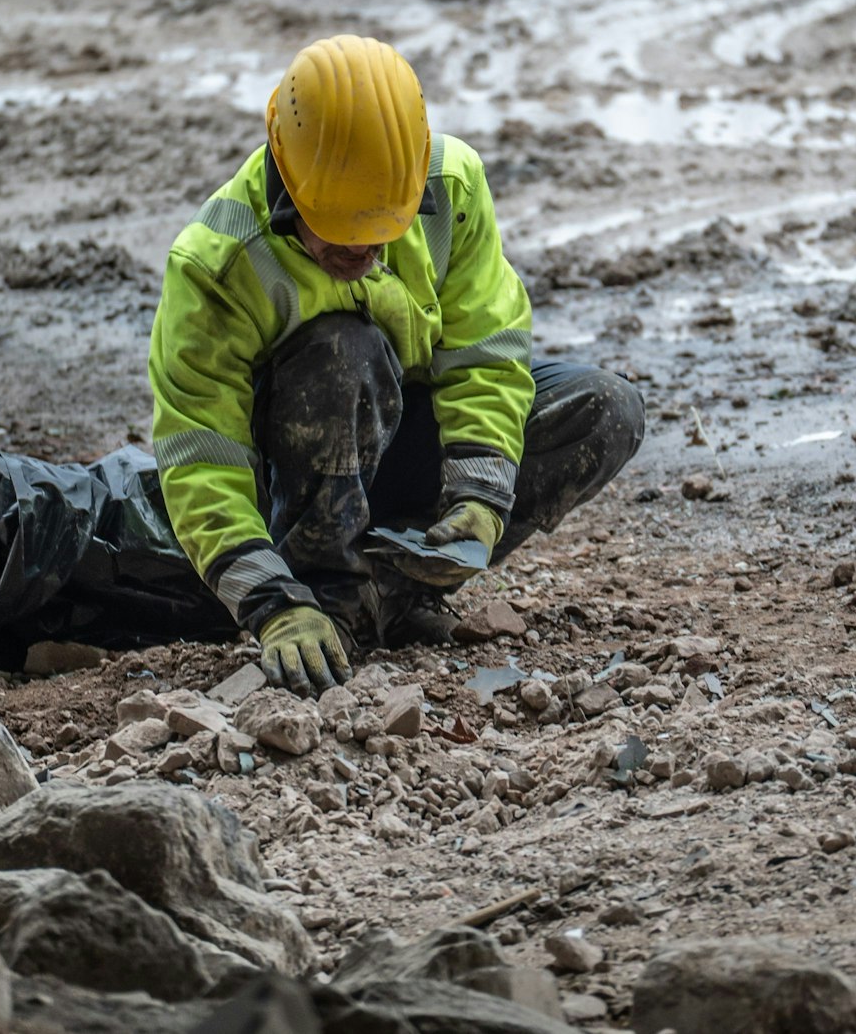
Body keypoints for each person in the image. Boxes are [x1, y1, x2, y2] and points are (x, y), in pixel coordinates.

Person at [149, 35, 645, 696]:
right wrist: (270, 600)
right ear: (288, 178)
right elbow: (200, 452)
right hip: (294, 481)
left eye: (379, 231)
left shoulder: (451, 186)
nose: (362, 250)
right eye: (339, 232)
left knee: (604, 411)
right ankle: (321, 600)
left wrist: (480, 496)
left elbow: (486, 354)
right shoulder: (218, 263)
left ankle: (390, 590)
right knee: (340, 353)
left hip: (402, 438)